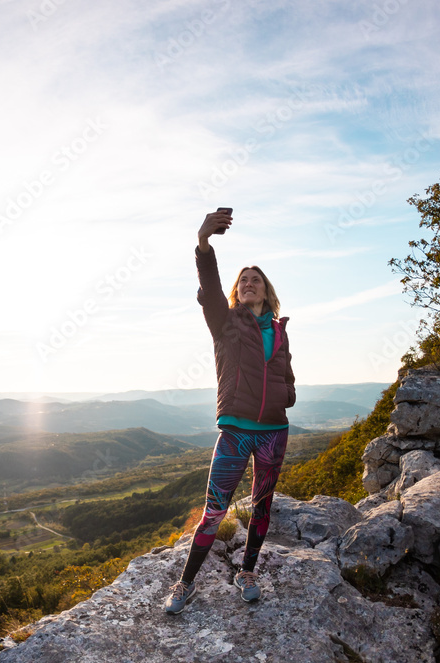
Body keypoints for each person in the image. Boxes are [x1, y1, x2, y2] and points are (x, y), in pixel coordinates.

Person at [163, 208, 296, 614]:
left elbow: (285, 376)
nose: (249, 283)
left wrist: (286, 396)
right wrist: (203, 245)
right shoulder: (225, 323)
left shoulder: (280, 331)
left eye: (257, 280)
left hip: (274, 430)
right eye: (244, 281)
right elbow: (210, 286)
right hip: (236, 430)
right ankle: (184, 584)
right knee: (215, 510)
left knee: (262, 506)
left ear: (268, 293)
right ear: (237, 293)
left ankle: (248, 572)